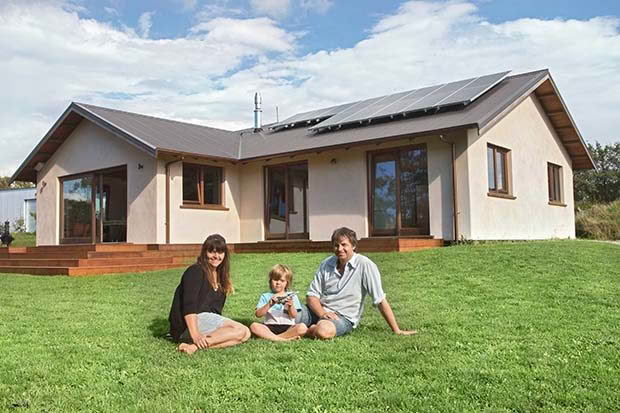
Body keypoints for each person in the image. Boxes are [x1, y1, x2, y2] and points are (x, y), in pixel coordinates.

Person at [298, 227, 416, 339]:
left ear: (353, 246)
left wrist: (396, 330)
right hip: (320, 310)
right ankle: (299, 329)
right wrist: (322, 313)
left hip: (342, 317)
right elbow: (312, 295)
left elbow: (380, 300)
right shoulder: (326, 264)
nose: (339, 249)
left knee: (323, 331)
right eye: (336, 245)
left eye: (344, 245)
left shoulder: (365, 265)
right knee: (288, 312)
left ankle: (305, 330)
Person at [168, 234, 250, 354]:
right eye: (212, 252)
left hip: (205, 322)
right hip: (189, 325)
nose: (216, 256)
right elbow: (188, 305)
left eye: (220, 252)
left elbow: (216, 311)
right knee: (240, 330)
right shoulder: (195, 271)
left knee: (245, 334)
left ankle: (193, 347)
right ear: (204, 253)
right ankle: (195, 342)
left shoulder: (221, 277)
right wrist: (195, 334)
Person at [250, 264, 308, 341]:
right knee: (254, 326)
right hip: (269, 326)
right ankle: (284, 339)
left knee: (302, 327)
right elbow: (258, 314)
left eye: (282, 280)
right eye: (275, 280)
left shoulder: (292, 296)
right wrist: (269, 304)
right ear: (270, 281)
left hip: (288, 327)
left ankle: (274, 338)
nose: (278, 283)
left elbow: (294, 316)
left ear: (287, 282)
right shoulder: (265, 296)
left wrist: (290, 306)